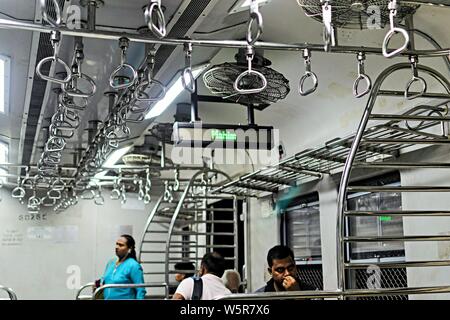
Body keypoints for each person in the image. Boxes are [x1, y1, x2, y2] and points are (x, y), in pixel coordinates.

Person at [97, 234, 146, 299]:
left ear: (129, 248)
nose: (117, 247)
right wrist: (99, 282)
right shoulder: (111, 262)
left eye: (121, 245)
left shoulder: (133, 265)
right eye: (116, 244)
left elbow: (141, 290)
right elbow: (105, 279)